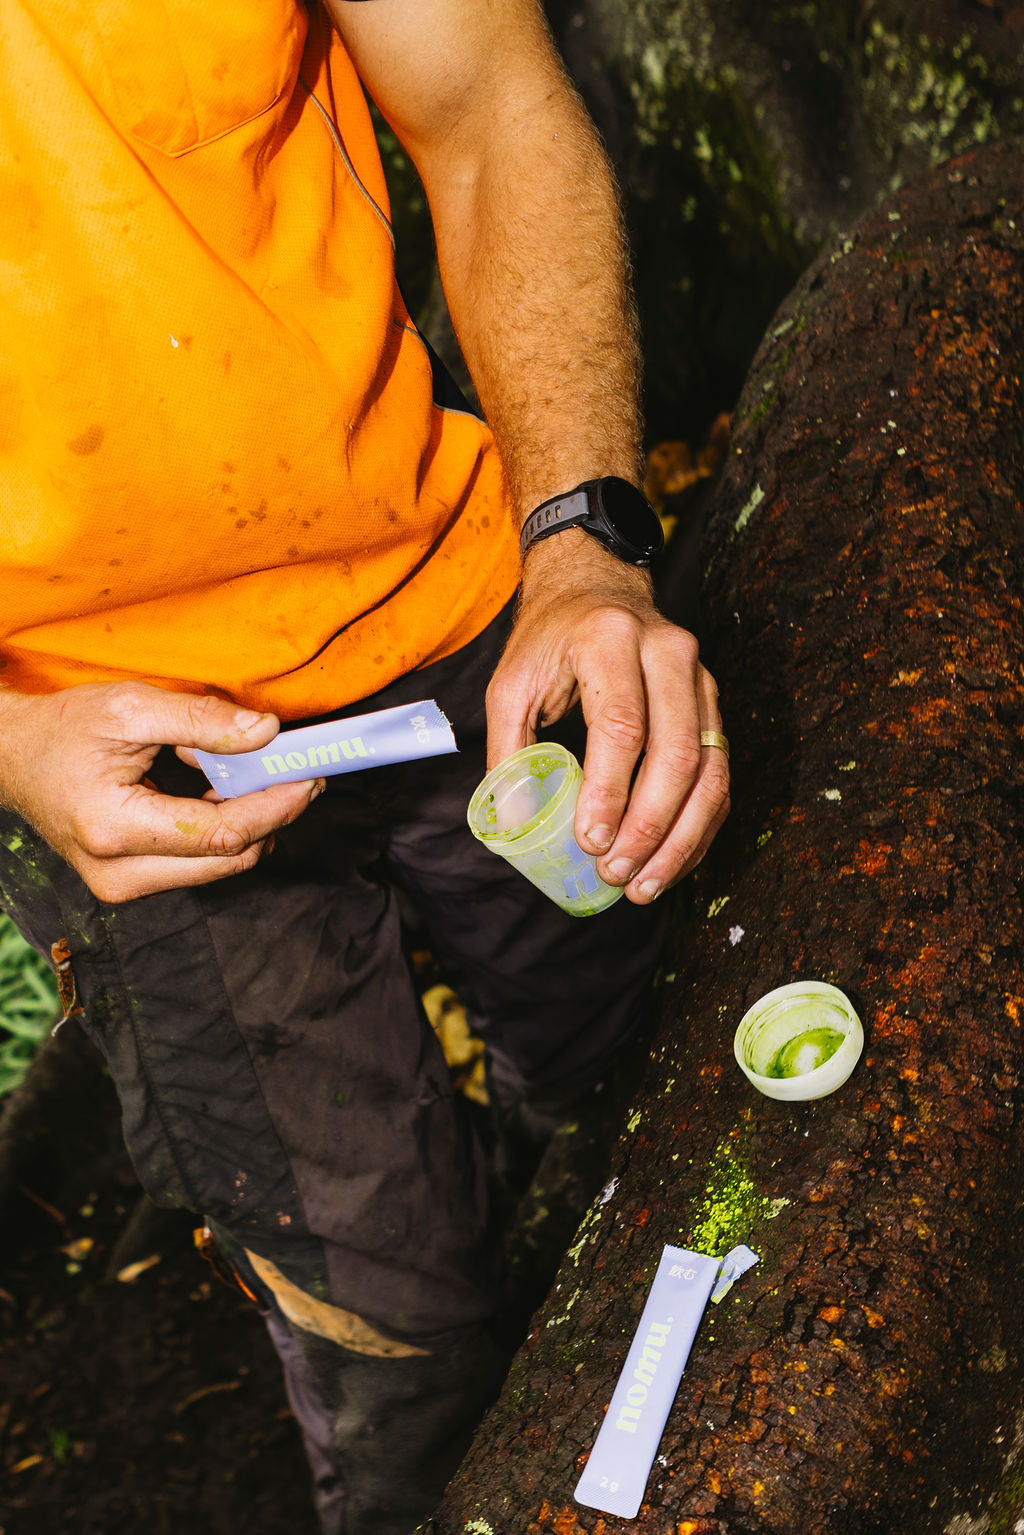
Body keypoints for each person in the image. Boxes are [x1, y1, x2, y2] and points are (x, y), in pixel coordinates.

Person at [0, 1, 730, 1530]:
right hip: (96, 738)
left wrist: (584, 544)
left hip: (460, 595)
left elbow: (487, 110)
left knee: (649, 1040)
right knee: (401, 1337)